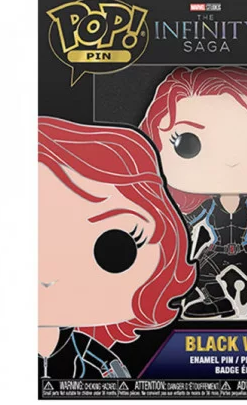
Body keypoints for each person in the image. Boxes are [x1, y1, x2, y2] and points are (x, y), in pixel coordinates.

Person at [141, 67, 247, 318]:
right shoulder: (210, 206)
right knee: (200, 276)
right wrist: (174, 236)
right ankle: (217, 302)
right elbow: (189, 222)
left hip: (246, 249)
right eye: (188, 142)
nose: (231, 162)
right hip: (216, 250)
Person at [38, 117, 196, 378]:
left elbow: (111, 366)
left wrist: (118, 380)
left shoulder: (77, 342)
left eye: (115, 245)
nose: (48, 274)